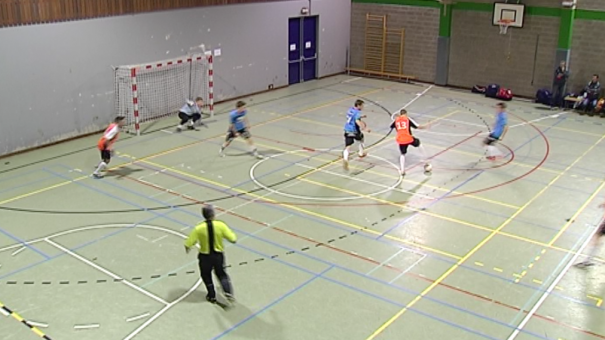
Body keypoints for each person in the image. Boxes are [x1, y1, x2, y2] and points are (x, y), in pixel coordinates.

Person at [184, 205, 237, 303]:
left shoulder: (199, 228)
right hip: (218, 255)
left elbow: (188, 243)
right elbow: (233, 239)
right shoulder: (220, 225)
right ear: (213, 214)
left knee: (206, 275)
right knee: (221, 274)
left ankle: (211, 295)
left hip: (205, 256)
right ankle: (228, 291)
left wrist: (187, 248)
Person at [391, 109, 431, 176]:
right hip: (408, 138)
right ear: (406, 114)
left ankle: (402, 170)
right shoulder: (407, 119)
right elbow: (417, 126)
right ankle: (426, 161)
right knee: (419, 144)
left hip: (400, 139)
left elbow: (391, 126)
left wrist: (397, 119)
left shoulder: (396, 120)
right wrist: (426, 126)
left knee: (402, 154)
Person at [343, 99, 371, 171]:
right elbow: (357, 120)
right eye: (362, 105)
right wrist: (364, 128)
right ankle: (361, 153)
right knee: (361, 139)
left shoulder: (350, 110)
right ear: (358, 105)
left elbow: (352, 116)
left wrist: (361, 116)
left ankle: (345, 159)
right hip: (354, 130)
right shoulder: (357, 113)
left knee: (348, 146)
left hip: (347, 129)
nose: (362, 107)